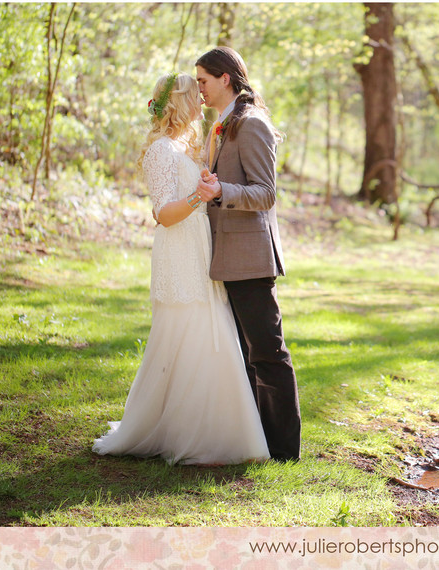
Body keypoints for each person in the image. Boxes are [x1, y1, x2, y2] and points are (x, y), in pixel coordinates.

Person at [93, 72, 270, 466]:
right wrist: (198, 195)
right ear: (178, 101)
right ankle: (191, 435)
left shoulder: (184, 145)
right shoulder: (160, 150)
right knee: (187, 334)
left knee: (210, 332)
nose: (202, 100)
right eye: (195, 94)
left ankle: (218, 431)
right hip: (178, 252)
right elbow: (164, 214)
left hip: (199, 249)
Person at [194, 47, 301, 462]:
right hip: (228, 255)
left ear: (225, 79)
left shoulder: (251, 123)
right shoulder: (222, 123)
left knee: (268, 354)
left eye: (203, 80)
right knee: (247, 354)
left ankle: (284, 452)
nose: (199, 89)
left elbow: (266, 193)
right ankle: (261, 442)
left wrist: (222, 191)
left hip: (250, 257)